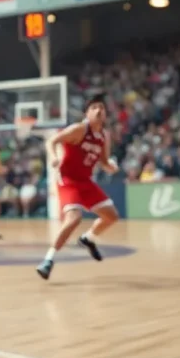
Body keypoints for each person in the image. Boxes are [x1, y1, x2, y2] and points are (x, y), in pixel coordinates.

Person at [36, 95, 120, 280]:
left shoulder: (104, 136)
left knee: (112, 216)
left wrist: (110, 167)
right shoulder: (79, 129)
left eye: (102, 108)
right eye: (94, 108)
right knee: (74, 218)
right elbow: (52, 141)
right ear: (87, 113)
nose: (99, 111)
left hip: (86, 181)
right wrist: (53, 156)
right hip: (68, 180)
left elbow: (104, 161)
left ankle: (87, 238)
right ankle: (48, 260)